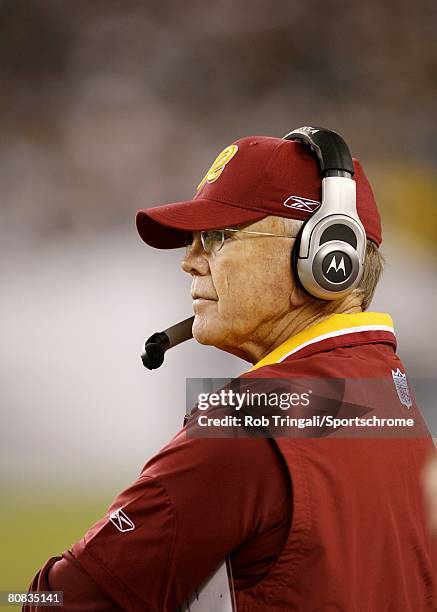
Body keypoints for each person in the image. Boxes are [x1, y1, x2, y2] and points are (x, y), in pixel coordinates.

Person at [25, 130, 437, 611]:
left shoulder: (247, 417)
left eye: (217, 237)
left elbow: (65, 603)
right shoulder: (392, 396)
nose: (190, 262)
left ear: (327, 256)